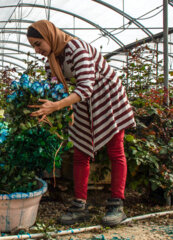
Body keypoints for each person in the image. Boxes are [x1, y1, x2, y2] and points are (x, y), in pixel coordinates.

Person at [26, 20, 136, 226]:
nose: (37, 49)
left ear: (49, 36)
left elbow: (86, 86)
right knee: (81, 150)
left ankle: (116, 205)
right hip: (84, 101)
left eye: (38, 43)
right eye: (33, 46)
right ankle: (79, 205)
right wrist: (46, 109)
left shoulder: (76, 48)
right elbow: (55, 91)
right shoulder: (51, 61)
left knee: (115, 150)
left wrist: (57, 106)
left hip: (107, 97)